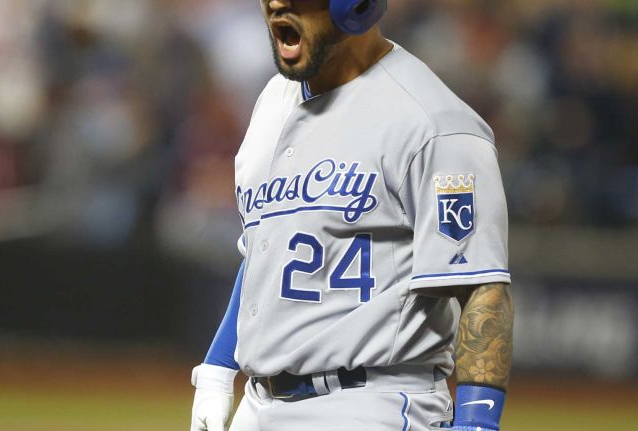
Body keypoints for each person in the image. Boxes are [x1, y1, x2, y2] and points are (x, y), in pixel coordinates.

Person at [189, 1, 514, 430]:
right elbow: (264, 252)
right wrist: (216, 371)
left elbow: (481, 288)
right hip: (259, 404)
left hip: (368, 403)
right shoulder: (273, 99)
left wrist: (478, 423)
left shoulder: (434, 123)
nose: (277, 4)